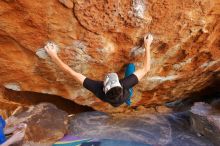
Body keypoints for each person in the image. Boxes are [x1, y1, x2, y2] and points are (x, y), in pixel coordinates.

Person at [44, 34, 153, 107]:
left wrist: (53, 56)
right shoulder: (125, 85)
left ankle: (127, 101)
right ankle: (127, 100)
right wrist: (147, 45)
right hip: (124, 95)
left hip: (113, 100)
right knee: (131, 67)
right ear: (120, 85)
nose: (110, 75)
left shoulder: (96, 88)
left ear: (104, 88)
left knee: (130, 70)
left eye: (108, 79)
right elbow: (146, 68)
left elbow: (70, 72)